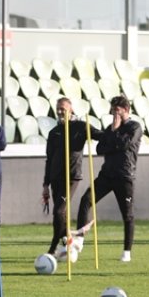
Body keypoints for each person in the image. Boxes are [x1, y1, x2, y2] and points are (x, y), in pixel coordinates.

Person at [73, 95, 141, 262]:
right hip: (107, 175)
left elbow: (124, 144)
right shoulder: (111, 127)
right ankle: (80, 239)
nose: (114, 114)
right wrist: (113, 136)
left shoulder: (135, 127)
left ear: (126, 110)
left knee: (127, 215)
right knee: (86, 200)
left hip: (124, 176)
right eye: (112, 111)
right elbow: (100, 148)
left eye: (117, 110)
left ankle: (126, 252)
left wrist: (114, 134)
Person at [42, 97, 101, 258]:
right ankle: (66, 244)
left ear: (71, 109)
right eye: (58, 108)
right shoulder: (53, 133)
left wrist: (115, 133)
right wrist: (45, 184)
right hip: (55, 178)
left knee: (59, 211)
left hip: (71, 177)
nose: (60, 111)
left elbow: (99, 135)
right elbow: (49, 159)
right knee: (60, 214)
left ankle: (56, 245)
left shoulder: (80, 126)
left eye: (63, 108)